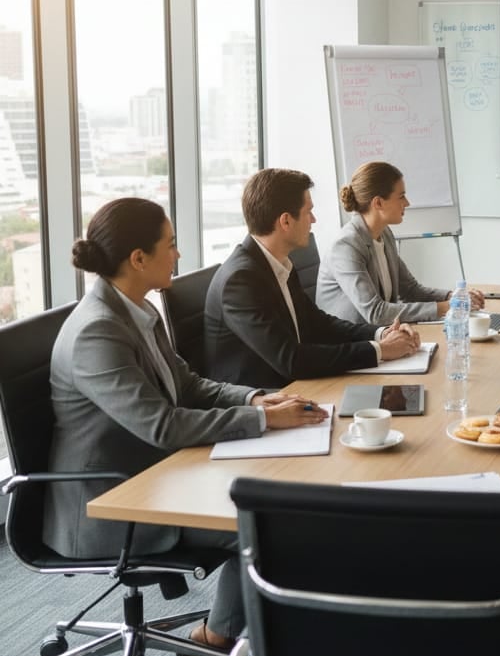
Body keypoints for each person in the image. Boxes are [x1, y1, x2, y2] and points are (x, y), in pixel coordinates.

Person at [43, 198, 329, 651]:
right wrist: (261, 420)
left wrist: (257, 398)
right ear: (138, 259)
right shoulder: (97, 332)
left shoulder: (138, 309)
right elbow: (162, 426)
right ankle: (217, 636)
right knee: (263, 520)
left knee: (281, 494)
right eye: (171, 245)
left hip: (152, 474)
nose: (178, 255)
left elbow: (188, 385)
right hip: (108, 500)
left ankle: (251, 623)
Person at [204, 169, 420, 389]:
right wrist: (380, 350)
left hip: (295, 387)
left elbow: (318, 324)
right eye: (309, 212)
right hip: (265, 399)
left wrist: (381, 333)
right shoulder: (240, 281)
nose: (314, 220)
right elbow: (291, 360)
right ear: (286, 221)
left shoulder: (279, 263)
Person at [316, 161, 484, 323]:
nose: (407, 203)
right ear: (378, 203)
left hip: (379, 335)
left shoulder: (384, 234)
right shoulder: (346, 246)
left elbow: (410, 290)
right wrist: (448, 307)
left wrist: (453, 296)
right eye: (401, 196)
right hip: (349, 343)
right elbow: (376, 313)